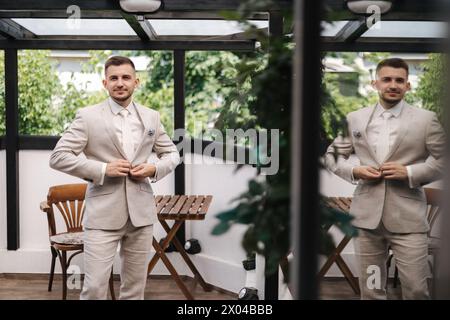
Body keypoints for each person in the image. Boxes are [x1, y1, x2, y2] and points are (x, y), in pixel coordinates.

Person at [49, 56, 180, 300]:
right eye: (114, 78)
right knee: (95, 289)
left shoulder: (151, 117)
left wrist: (154, 169)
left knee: (134, 289)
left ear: (136, 82)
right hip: (102, 216)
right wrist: (102, 169)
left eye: (126, 77)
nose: (120, 83)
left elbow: (172, 154)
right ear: (105, 83)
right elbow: (58, 157)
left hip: (141, 215)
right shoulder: (88, 116)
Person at [325, 58, 446, 299]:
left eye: (399, 80)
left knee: (416, 290)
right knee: (371, 290)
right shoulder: (355, 118)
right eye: (387, 79)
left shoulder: (425, 119)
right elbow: (332, 156)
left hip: (409, 222)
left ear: (407, 86)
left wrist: (410, 172)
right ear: (375, 83)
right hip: (367, 222)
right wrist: (354, 171)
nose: (393, 84)